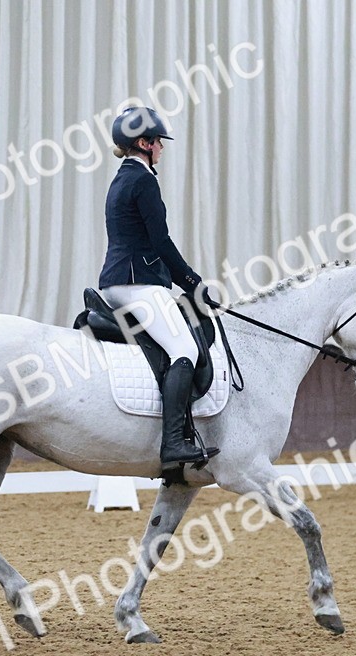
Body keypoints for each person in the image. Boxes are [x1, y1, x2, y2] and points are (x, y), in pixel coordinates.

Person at [98, 106, 218, 471]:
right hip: (137, 283)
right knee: (184, 348)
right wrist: (193, 282)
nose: (163, 149)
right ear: (144, 142)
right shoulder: (143, 181)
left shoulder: (123, 178)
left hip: (118, 281)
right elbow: (161, 242)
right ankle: (173, 444)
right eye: (159, 142)